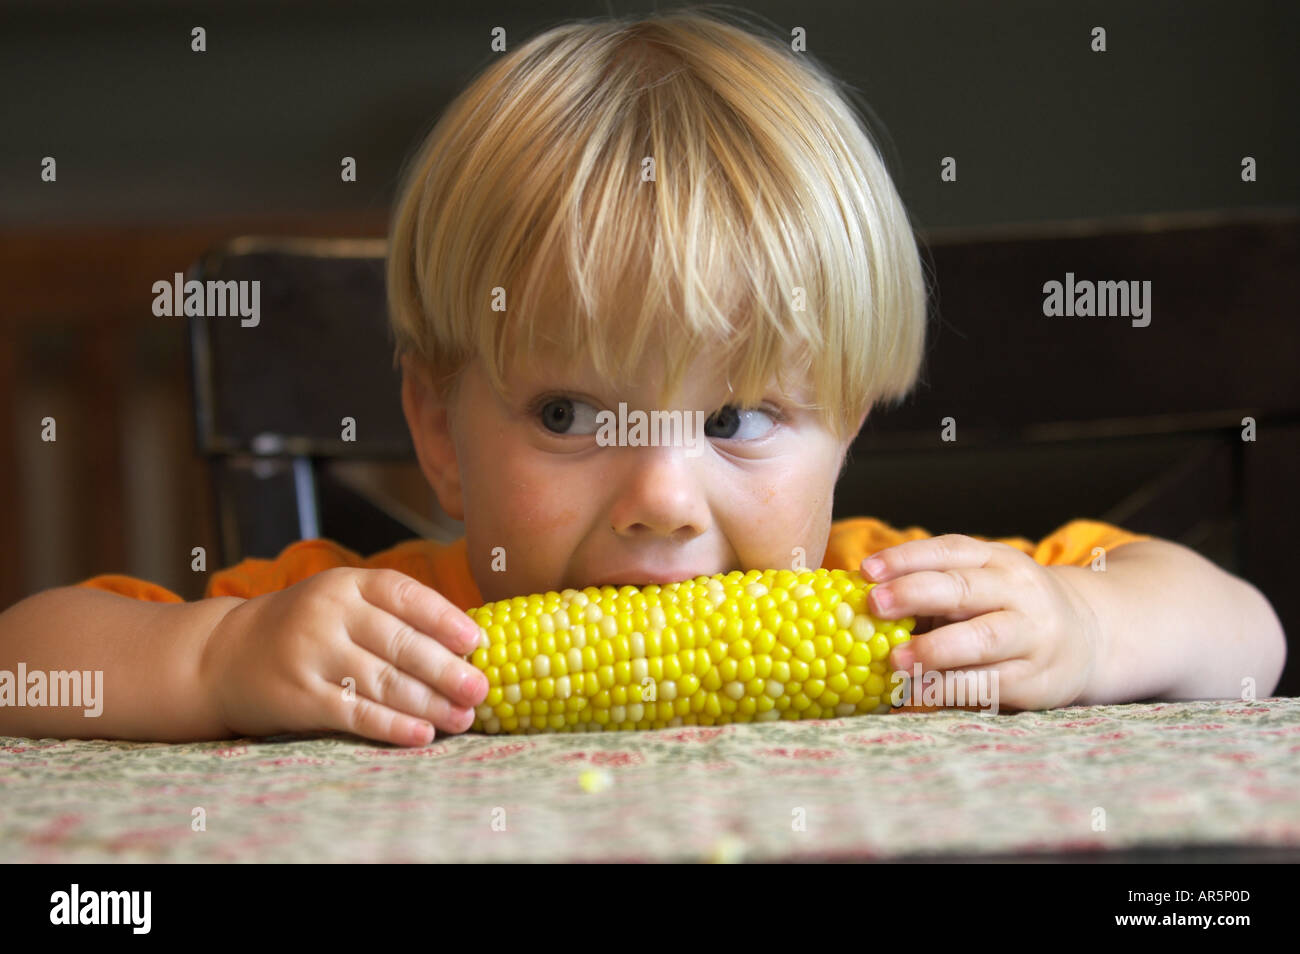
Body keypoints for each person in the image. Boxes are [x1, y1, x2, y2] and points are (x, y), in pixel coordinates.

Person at [0, 9, 1284, 748]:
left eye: (737, 418)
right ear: (438, 431)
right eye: (568, 414)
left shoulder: (906, 609)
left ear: (846, 421)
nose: (662, 497)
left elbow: (1247, 641)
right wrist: (220, 663)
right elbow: (24, 668)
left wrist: (1092, 628)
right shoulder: (384, 629)